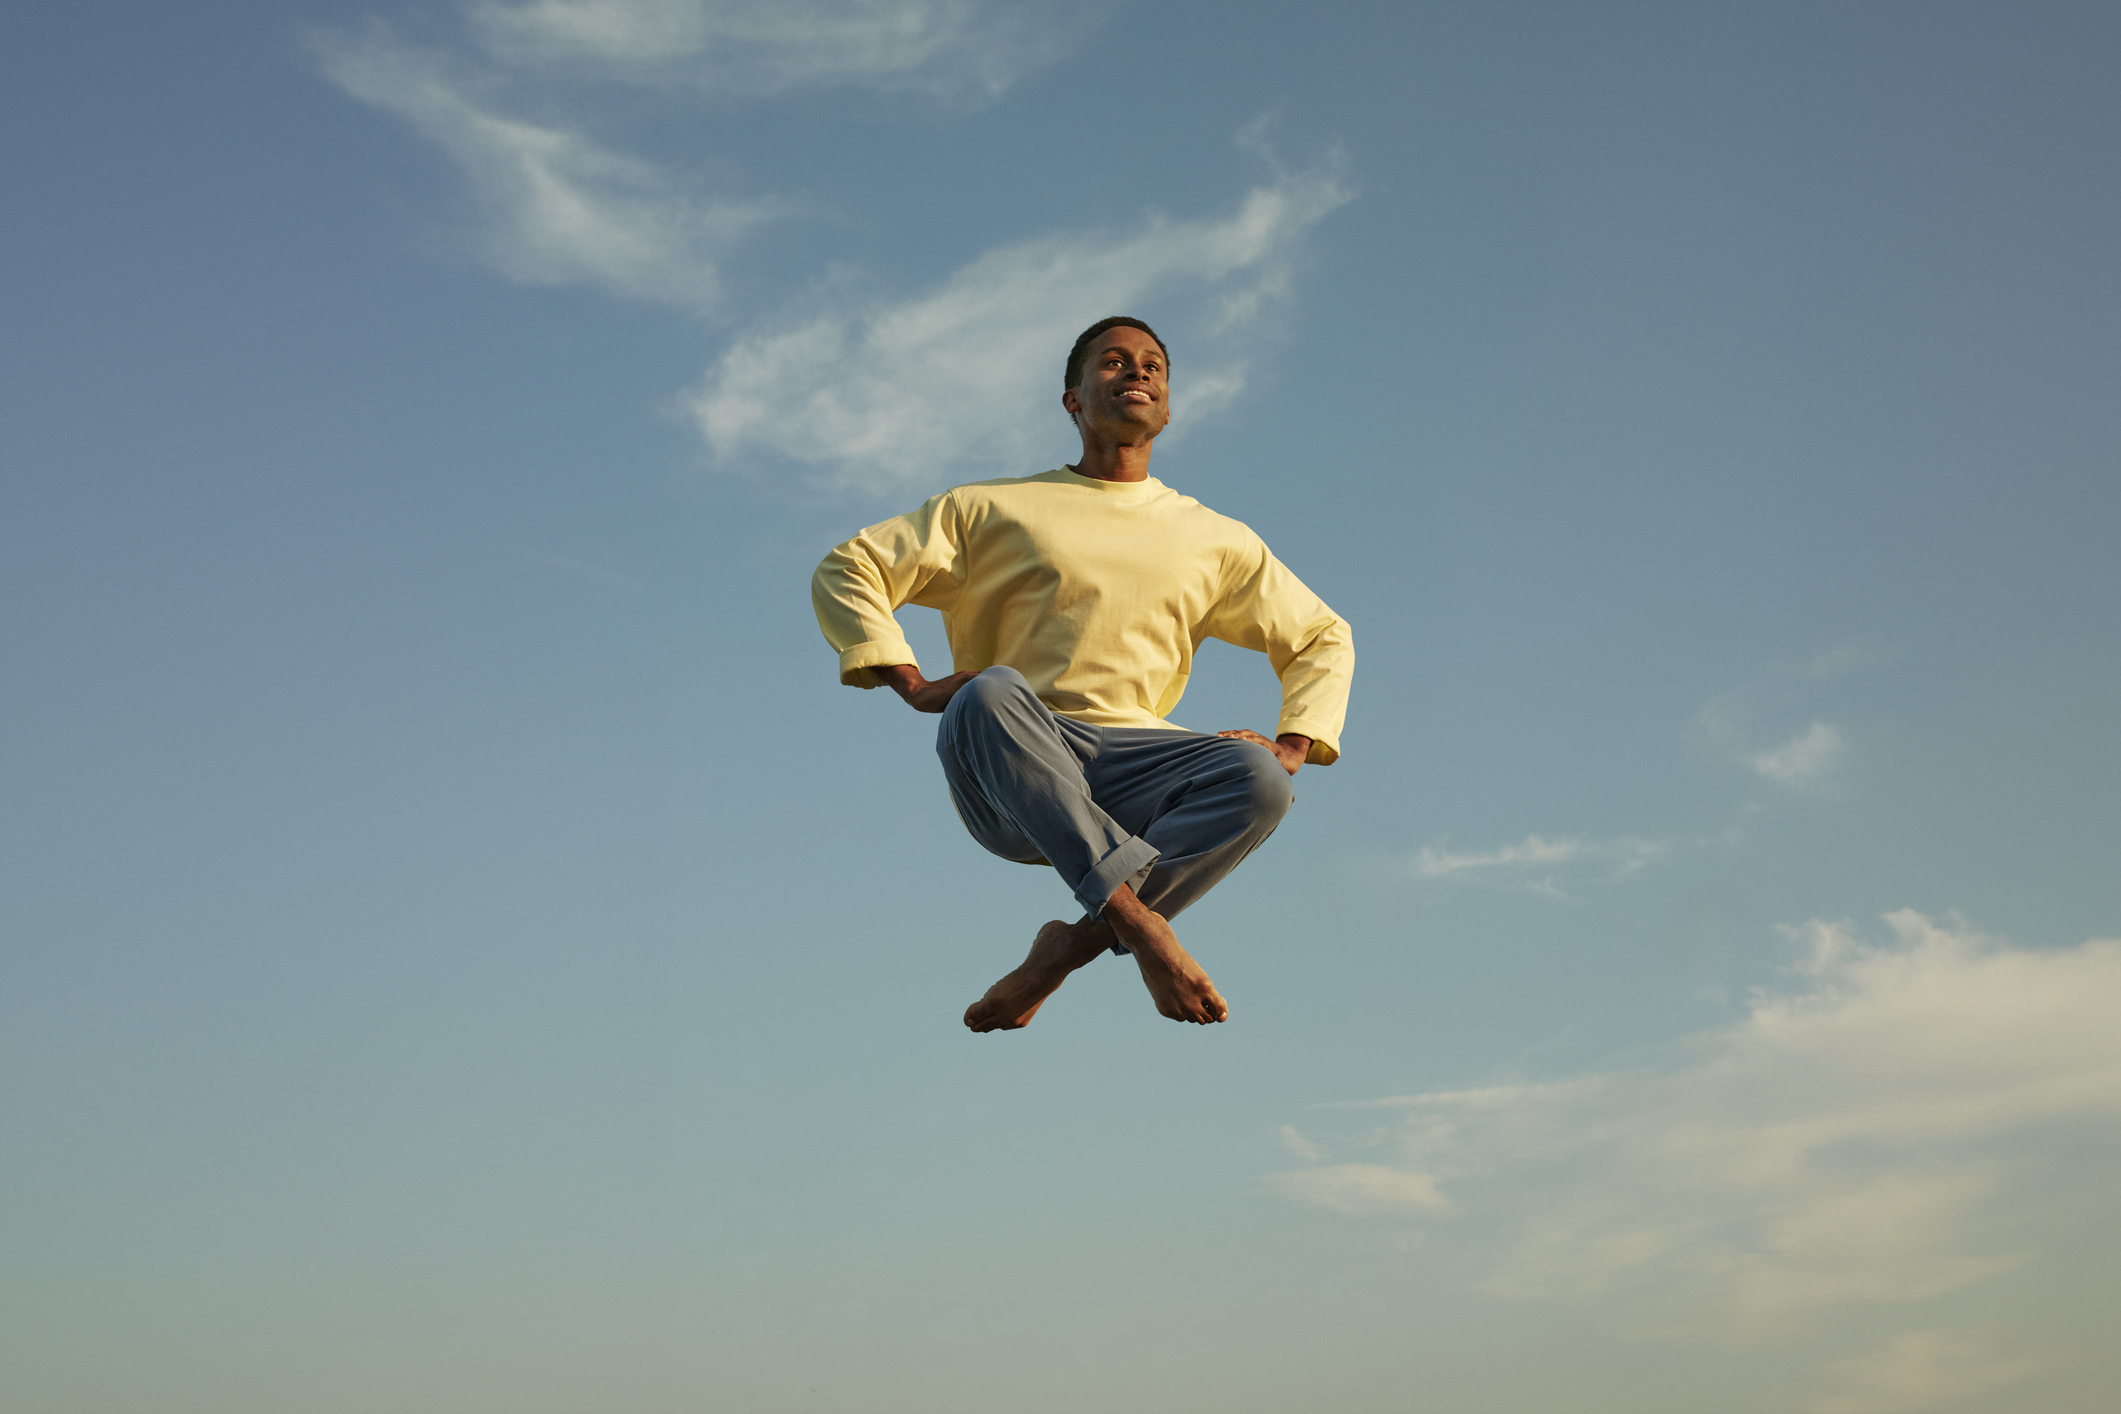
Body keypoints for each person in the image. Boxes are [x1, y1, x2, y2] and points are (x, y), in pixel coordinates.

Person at [811, 316, 1354, 1031]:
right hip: (1011, 762)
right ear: (1073, 400)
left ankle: (1071, 946)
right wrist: (909, 680)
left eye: (1153, 366)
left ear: (1165, 405)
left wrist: (1293, 742)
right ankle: (1145, 929)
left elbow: (1320, 633)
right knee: (992, 688)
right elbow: (851, 565)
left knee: (1259, 781)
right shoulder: (988, 507)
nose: (1136, 373)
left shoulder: (1214, 538)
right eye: (1114, 362)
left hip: (1136, 773)